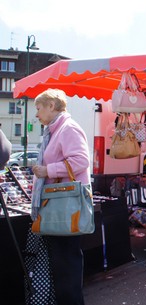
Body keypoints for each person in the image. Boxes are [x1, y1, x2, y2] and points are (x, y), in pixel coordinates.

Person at [31, 88, 90, 305]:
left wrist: (48, 171)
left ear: (51, 106)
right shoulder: (56, 131)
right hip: (60, 206)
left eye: (38, 108)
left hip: (66, 207)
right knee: (63, 263)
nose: (36, 114)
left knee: (67, 263)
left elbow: (81, 161)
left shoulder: (68, 129)